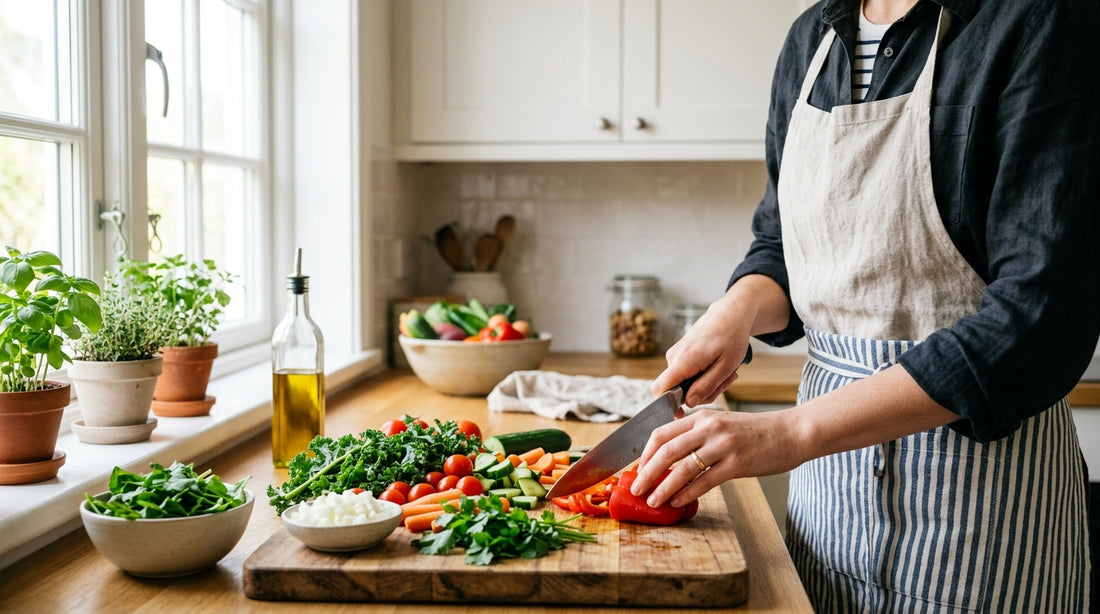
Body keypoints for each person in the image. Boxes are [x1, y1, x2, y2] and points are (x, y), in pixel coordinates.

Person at [630, 0, 1099, 611]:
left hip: (978, 512)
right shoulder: (812, 38)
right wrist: (738, 309)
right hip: (828, 509)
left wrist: (791, 431)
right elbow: (782, 245)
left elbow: (1037, 325)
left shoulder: (1042, 22)